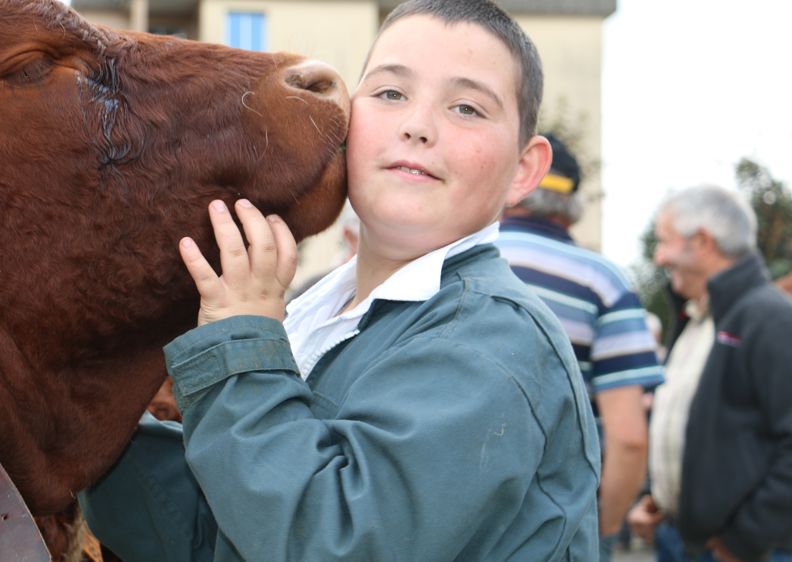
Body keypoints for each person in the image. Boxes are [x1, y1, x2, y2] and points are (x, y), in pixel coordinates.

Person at [80, 1, 601, 559]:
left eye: (467, 108)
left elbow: (328, 540)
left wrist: (240, 341)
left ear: (524, 168)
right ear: (347, 121)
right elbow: (226, 527)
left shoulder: (494, 341)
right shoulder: (318, 310)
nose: (418, 126)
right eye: (391, 93)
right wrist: (79, 414)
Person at [495, 133, 665, 561]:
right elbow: (629, 438)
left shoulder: (443, 261)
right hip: (558, 528)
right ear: (572, 205)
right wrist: (602, 529)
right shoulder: (602, 282)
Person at [626, 185, 792, 562]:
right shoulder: (697, 318)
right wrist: (656, 496)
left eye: (664, 241)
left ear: (702, 242)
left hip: (746, 550)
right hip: (682, 539)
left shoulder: (770, 319)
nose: (658, 256)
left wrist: (744, 541)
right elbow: (694, 426)